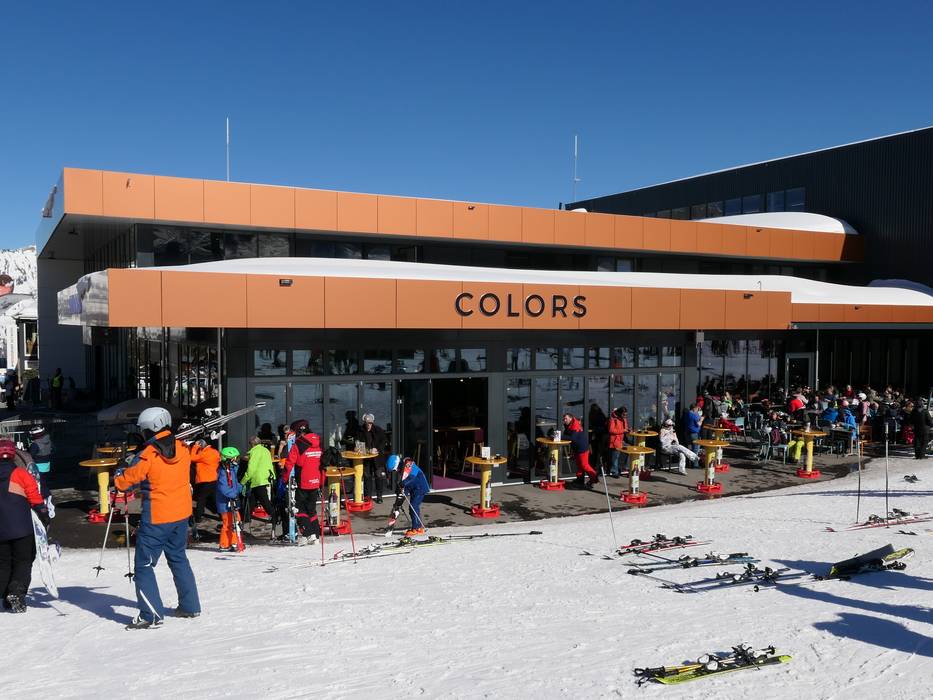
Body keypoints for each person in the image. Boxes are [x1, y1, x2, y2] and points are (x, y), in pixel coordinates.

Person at [114, 407, 201, 629]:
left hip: (158, 516)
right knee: (178, 558)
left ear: (149, 429)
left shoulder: (148, 455)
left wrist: (120, 470)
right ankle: (190, 606)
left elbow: (124, 483)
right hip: (181, 513)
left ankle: (150, 615)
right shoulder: (182, 448)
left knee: (144, 565)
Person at [0, 438, 49, 613]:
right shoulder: (20, 473)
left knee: (3, 563)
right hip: (22, 528)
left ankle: (4, 596)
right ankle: (16, 592)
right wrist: (43, 513)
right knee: (24, 560)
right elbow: (34, 496)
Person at [283, 420, 323, 544]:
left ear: (299, 432)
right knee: (311, 509)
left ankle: (308, 534)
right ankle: (316, 535)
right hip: (316, 481)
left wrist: (284, 479)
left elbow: (289, 463)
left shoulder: (299, 444)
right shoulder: (318, 441)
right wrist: (321, 481)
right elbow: (323, 463)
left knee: (300, 508)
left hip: (304, 481)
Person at [386, 454, 430, 536]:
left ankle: (416, 528)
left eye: (395, 469)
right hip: (413, 488)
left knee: (413, 506)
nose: (396, 471)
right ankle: (418, 527)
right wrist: (399, 500)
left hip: (420, 487)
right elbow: (404, 485)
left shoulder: (408, 463)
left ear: (397, 464)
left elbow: (411, 477)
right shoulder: (401, 469)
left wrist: (403, 484)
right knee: (412, 507)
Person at [188, 438, 220, 537]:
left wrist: (195, 447)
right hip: (214, 479)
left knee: (201, 499)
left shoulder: (204, 454)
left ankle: (198, 517)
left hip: (205, 480)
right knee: (214, 498)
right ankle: (221, 514)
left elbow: (192, 458)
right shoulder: (214, 452)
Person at [240, 437, 275, 524]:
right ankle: (246, 517)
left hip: (258, 479)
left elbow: (251, 468)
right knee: (252, 498)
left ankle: (275, 516)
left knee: (264, 500)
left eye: (250, 444)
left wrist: (243, 481)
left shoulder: (255, 451)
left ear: (252, 444)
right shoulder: (266, 450)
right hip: (265, 477)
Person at [215, 447, 243, 551]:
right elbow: (223, 487)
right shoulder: (223, 472)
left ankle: (234, 541)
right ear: (228, 459)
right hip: (225, 502)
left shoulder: (231, 470)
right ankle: (224, 544)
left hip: (231, 500)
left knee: (236, 521)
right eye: (235, 458)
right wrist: (233, 495)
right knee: (228, 522)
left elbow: (234, 484)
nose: (236, 460)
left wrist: (242, 488)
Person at [563, 413, 598, 488]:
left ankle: (594, 478)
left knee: (584, 465)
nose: (564, 420)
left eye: (566, 418)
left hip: (582, 447)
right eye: (564, 419)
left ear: (571, 418)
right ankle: (579, 479)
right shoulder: (568, 425)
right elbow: (567, 434)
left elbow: (572, 438)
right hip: (576, 447)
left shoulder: (575, 425)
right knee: (579, 465)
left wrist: (560, 436)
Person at [27, 426, 52, 500]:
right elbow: (54, 450)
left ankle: (44, 497)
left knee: (39, 484)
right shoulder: (48, 440)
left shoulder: (35, 444)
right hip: (47, 466)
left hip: (38, 467)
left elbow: (30, 455)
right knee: (44, 482)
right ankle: (47, 496)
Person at [607, 407, 629, 477]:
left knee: (630, 450)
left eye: (626, 415)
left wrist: (628, 430)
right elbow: (611, 430)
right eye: (624, 414)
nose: (625, 416)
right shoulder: (613, 419)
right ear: (620, 413)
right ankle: (614, 472)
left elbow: (625, 428)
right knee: (615, 456)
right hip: (615, 440)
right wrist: (623, 431)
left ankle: (626, 468)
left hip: (621, 440)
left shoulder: (624, 419)